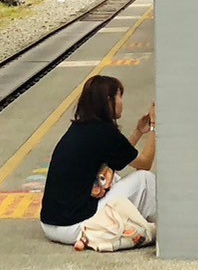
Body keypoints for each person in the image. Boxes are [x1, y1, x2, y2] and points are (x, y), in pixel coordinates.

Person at [40, 74, 156, 247]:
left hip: (50, 224)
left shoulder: (82, 128)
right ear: (108, 101)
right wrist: (155, 125)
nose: (122, 102)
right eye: (119, 97)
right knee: (145, 180)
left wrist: (139, 132)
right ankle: (167, 226)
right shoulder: (104, 132)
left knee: (112, 178)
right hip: (74, 226)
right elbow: (145, 163)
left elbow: (117, 157)